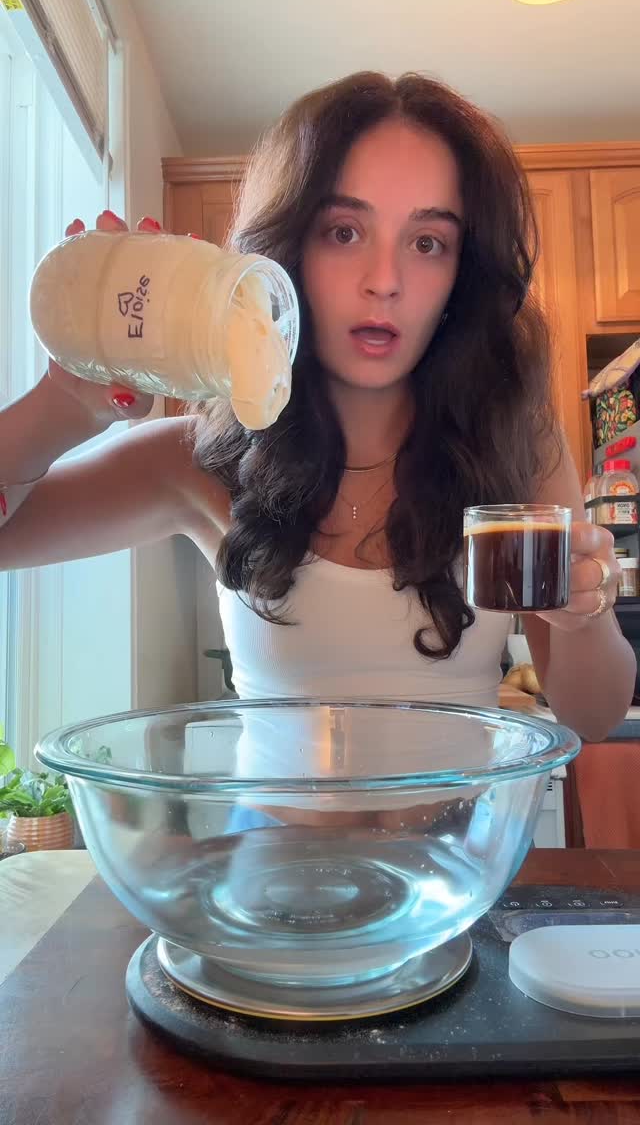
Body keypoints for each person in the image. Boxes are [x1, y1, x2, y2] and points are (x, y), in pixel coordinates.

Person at [0, 71, 634, 745]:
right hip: (269, 823)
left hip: (466, 822)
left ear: (461, 275)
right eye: (344, 232)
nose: (384, 281)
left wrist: (585, 616)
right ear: (290, 249)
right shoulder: (200, 459)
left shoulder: (515, 445)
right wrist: (67, 404)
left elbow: (592, 716)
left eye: (427, 243)